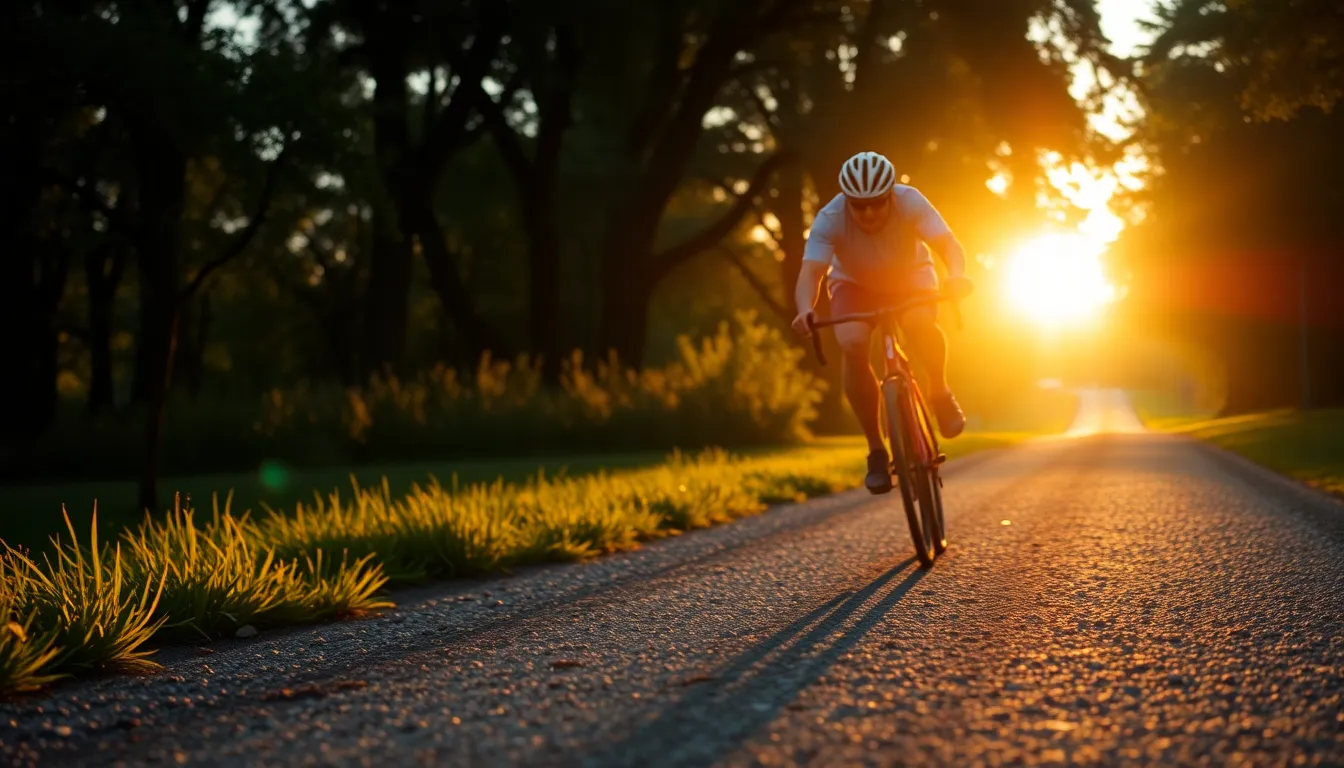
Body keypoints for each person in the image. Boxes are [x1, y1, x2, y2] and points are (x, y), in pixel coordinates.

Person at [792, 151, 974, 495]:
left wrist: (956, 276)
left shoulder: (911, 201)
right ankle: (876, 450)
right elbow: (811, 273)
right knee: (852, 343)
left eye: (878, 202)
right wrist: (805, 309)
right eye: (859, 206)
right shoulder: (829, 218)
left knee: (919, 323)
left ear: (892, 195)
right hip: (854, 285)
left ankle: (939, 391)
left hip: (910, 276)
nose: (870, 212)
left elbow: (948, 245)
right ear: (847, 201)